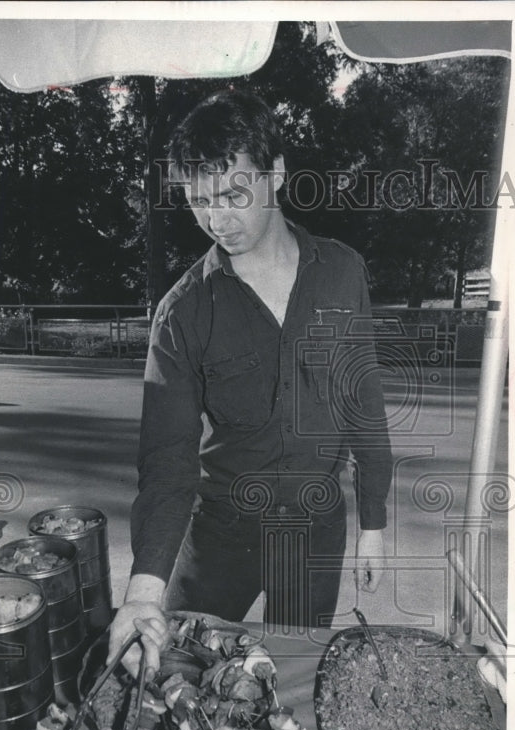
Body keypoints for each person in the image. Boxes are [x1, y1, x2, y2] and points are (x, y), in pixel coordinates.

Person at [108, 90, 393, 676]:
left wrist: (373, 522)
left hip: (312, 535)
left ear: (276, 173)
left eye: (235, 194)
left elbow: (362, 401)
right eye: (200, 202)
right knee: (176, 675)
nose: (219, 220)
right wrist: (143, 592)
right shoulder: (182, 313)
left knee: (289, 684)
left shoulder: (342, 273)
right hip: (219, 535)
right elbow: (167, 459)